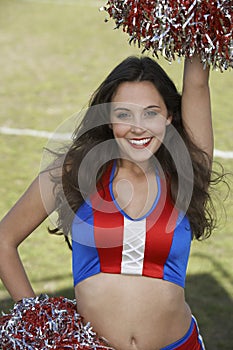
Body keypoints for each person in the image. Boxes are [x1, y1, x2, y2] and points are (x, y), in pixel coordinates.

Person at [0, 53, 219, 349]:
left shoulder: (186, 171)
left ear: (169, 117)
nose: (138, 127)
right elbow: (4, 240)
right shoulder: (74, 170)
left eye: (151, 112)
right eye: (124, 114)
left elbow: (197, 82)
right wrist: (35, 318)